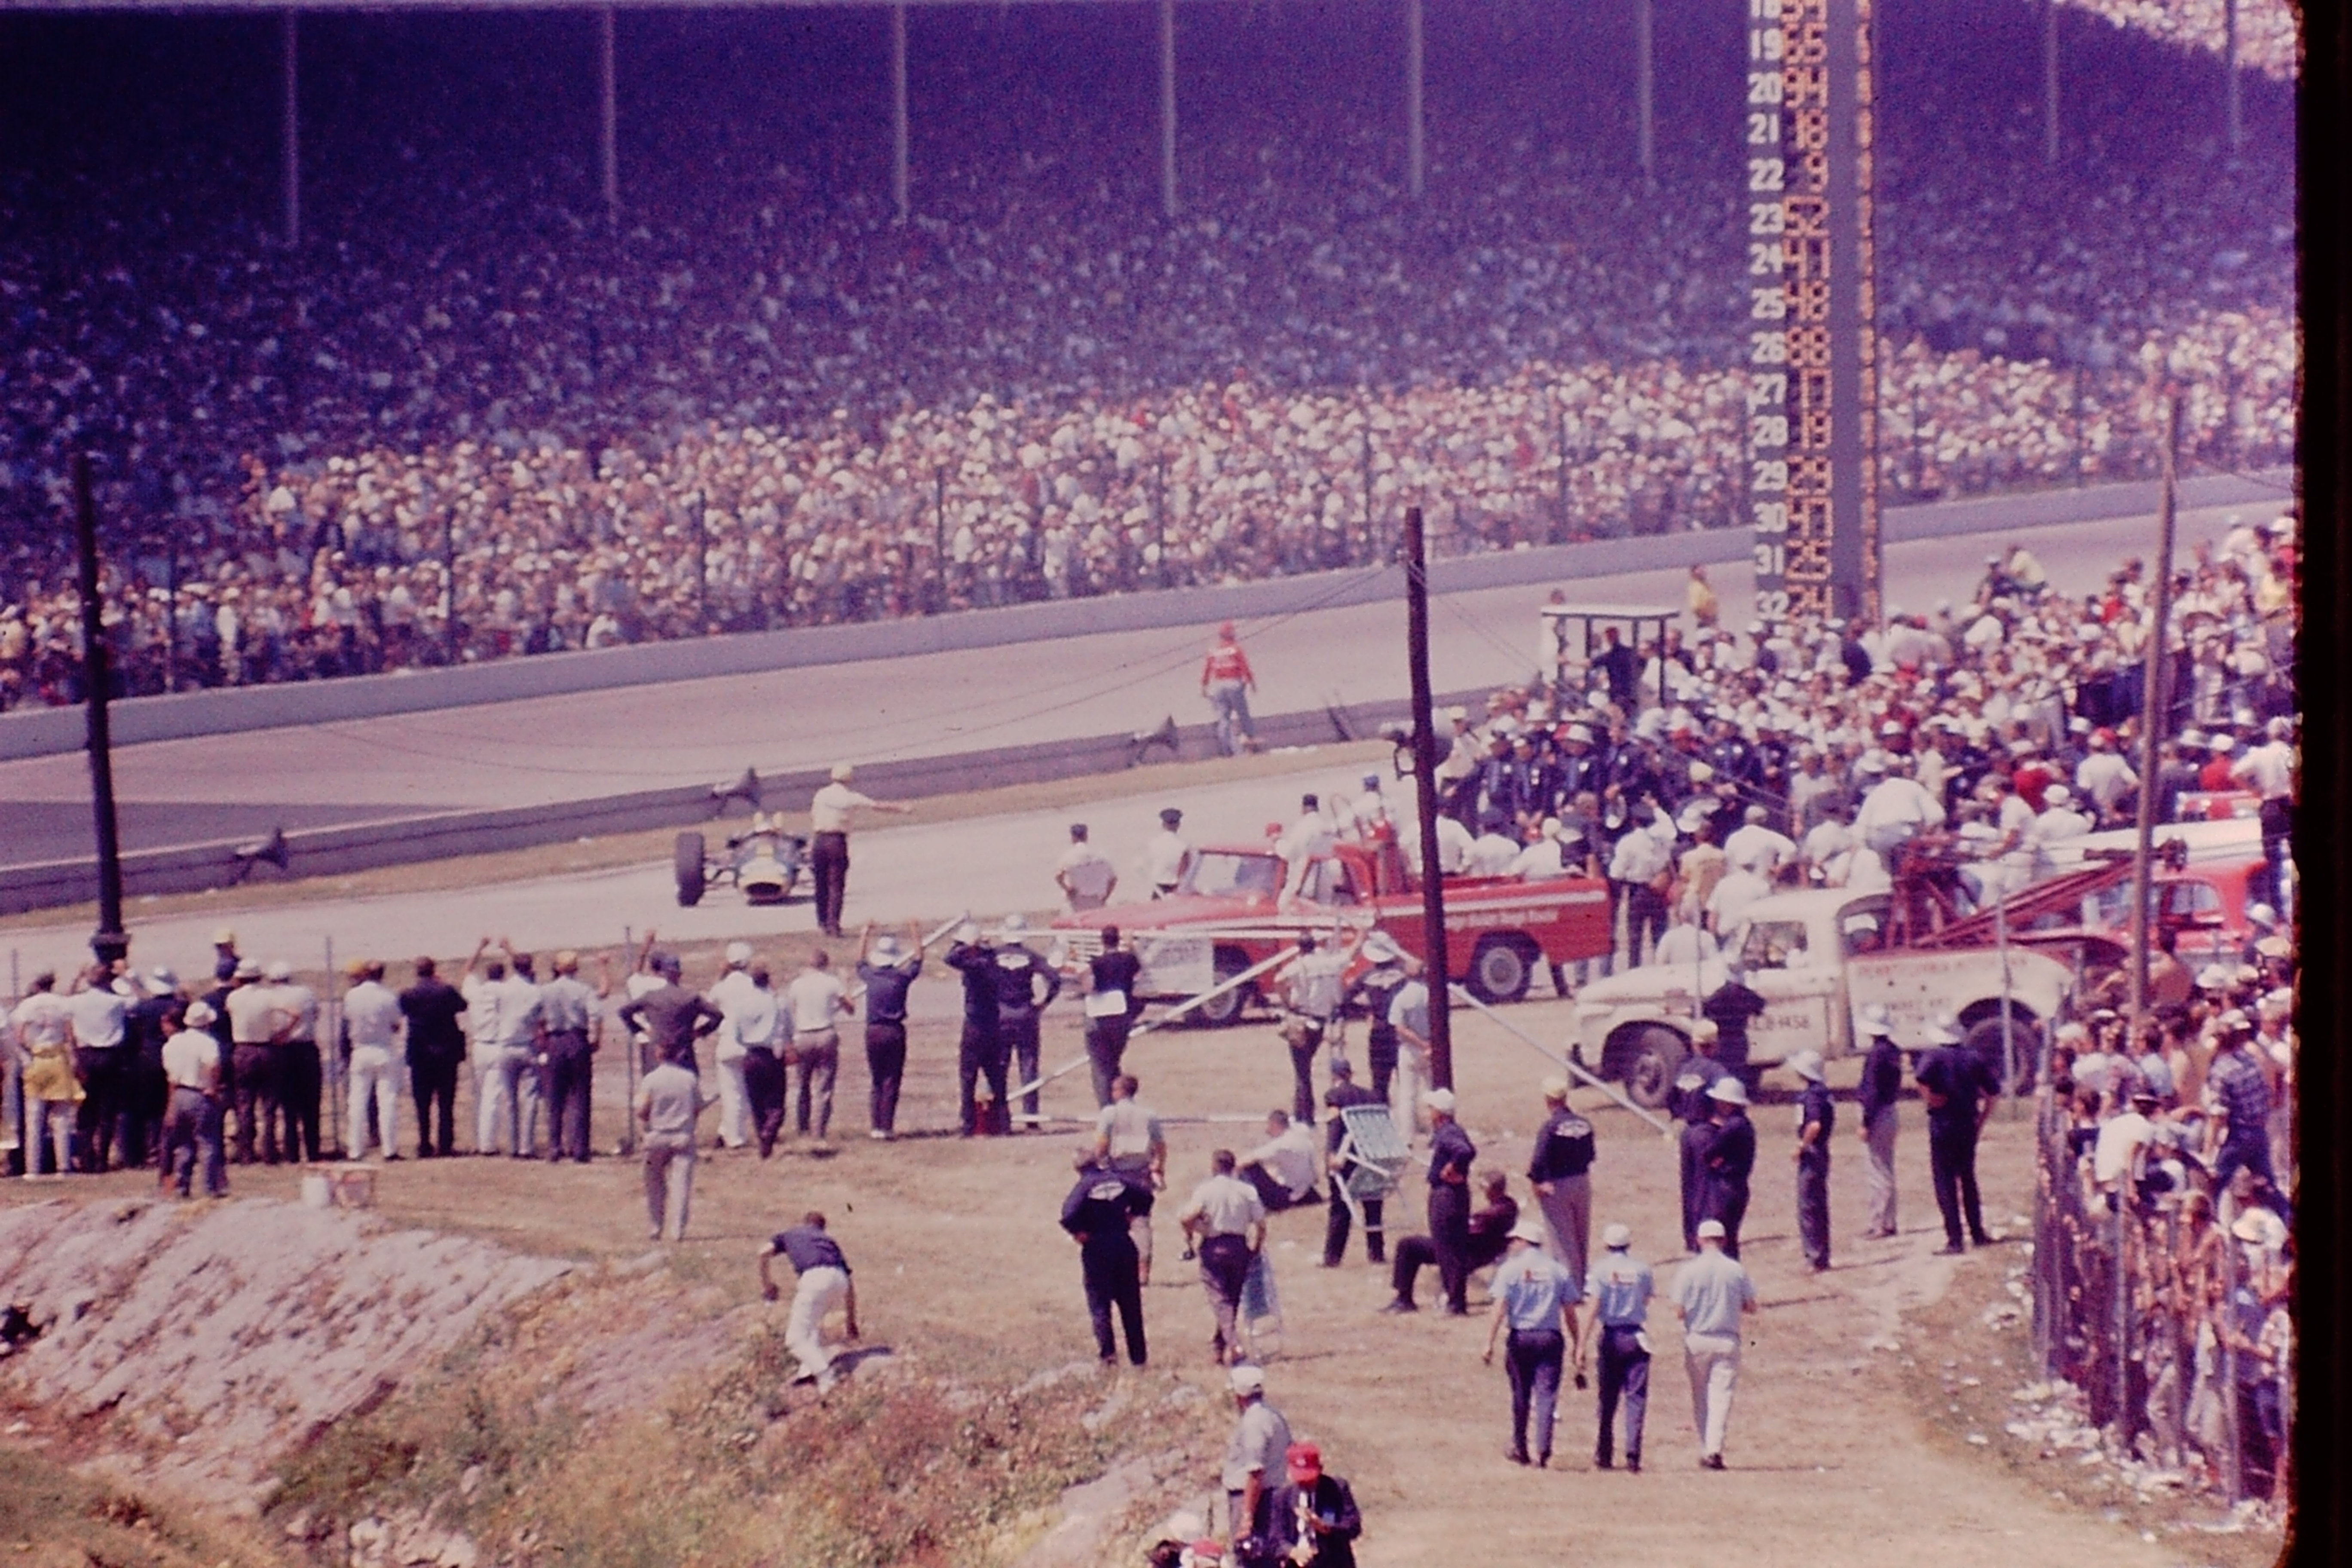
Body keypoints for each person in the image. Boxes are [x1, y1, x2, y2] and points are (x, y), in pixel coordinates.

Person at [1482, 1218, 1584, 1467]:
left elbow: (1500, 1307)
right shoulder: (1558, 1270)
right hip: (1550, 1337)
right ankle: (1543, 1448)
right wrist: (1577, 1343)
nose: (1511, 1245)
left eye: (1514, 1240)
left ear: (1524, 1242)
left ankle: (1520, 1445)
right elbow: (1570, 1312)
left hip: (1521, 1338)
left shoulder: (1510, 1270)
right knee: (1547, 1394)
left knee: (1521, 1393)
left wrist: (1489, 1341)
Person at [1673, 1218, 1758, 1470]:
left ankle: (1706, 1447)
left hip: (1698, 1338)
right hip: (1727, 1338)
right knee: (1721, 1396)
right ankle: (1715, 1448)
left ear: (1699, 1240)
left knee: (1700, 1397)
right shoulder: (1736, 1270)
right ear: (1724, 1240)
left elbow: (1679, 1311)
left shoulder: (1689, 1271)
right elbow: (1751, 1306)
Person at [1061, 1148, 1151, 1368]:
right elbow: (1146, 1196)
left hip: (1097, 1250)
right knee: (1131, 1306)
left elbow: (1068, 1214)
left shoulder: (1084, 1187)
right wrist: (1132, 1216)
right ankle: (1139, 1359)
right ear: (1097, 1163)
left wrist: (1080, 1233)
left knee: (1100, 1306)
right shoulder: (1119, 1180)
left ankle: (1109, 1358)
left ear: (1077, 1169)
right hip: (1124, 1246)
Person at [1178, 1149, 1268, 1367]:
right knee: (1232, 1298)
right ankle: (1219, 1347)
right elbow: (1261, 1224)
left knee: (1220, 1299)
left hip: (1214, 1246)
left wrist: (1190, 1235)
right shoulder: (1247, 1191)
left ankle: (1234, 1344)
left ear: (1214, 1167)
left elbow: (1187, 1217)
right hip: (1239, 1247)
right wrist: (1256, 1246)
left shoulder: (1206, 1190)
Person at [1916, 1017, 1997, 1253]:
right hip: (1967, 1123)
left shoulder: (1933, 1057)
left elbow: (1921, 1079)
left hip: (1943, 1123)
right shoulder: (1973, 1057)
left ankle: (1955, 1239)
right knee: (1968, 1179)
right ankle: (1977, 1232)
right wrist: (1981, 1120)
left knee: (1945, 1182)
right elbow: (1993, 1093)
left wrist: (1930, 1099)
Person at [1384, 1168, 1516, 1314]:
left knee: (1408, 1246)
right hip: (1470, 1249)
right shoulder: (1508, 1206)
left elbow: (1468, 1232)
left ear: (1491, 1189)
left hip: (1465, 1253)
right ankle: (1404, 1298)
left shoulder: (1494, 1213)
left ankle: (1404, 1298)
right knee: (1410, 1245)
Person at [807, 763, 915, 938]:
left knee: (820, 884)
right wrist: (902, 808)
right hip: (837, 841)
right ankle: (833, 926)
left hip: (819, 840)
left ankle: (822, 922)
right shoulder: (850, 798)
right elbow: (877, 806)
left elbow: (814, 815)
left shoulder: (821, 795)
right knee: (836, 884)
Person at [1580, 1222, 1655, 1472]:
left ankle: (1604, 1453)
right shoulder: (1642, 1270)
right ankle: (1633, 1454)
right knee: (1636, 1397)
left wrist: (1581, 1344)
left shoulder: (1600, 1270)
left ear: (1606, 1245)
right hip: (1636, 1335)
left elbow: (1593, 1306)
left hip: (1611, 1336)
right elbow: (1646, 1298)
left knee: (1608, 1398)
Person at [760, 1211, 861, 1388]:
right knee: (811, 1328)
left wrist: (768, 1285)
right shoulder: (828, 1241)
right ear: (822, 1228)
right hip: (840, 1281)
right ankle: (807, 1372)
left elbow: (763, 1253)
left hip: (815, 1278)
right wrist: (851, 1322)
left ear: (805, 1223)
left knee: (795, 1340)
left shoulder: (790, 1234)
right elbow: (850, 1285)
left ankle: (826, 1376)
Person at [1093, 1074, 1167, 1283]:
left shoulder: (1109, 1114)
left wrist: (1098, 1167)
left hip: (1116, 1174)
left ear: (1120, 1092)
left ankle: (1116, 1269)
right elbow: (1161, 1146)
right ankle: (1143, 1270)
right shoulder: (1149, 1115)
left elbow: (1101, 1145)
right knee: (1142, 1223)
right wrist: (1159, 1167)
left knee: (1113, 1223)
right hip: (1142, 1175)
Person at [991, 915, 1062, 1130]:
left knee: (998, 1066)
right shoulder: (1031, 957)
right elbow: (1055, 979)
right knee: (1029, 1065)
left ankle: (997, 1117)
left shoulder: (993, 956)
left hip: (1000, 1013)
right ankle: (1031, 1117)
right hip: (1025, 1013)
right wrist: (1044, 1003)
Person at [634, 1043, 711, 1241]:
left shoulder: (651, 1080)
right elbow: (697, 1107)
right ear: (679, 1055)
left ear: (658, 1055)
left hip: (657, 1137)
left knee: (654, 1185)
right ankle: (678, 1231)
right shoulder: (689, 1079)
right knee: (681, 1185)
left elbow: (642, 1110)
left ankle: (656, 1226)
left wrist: (650, 1120)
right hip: (682, 1137)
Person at [535, 950, 606, 1164]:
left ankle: (555, 1147)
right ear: (576, 968)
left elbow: (536, 1017)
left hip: (555, 1041)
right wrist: (596, 1039)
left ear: (557, 968)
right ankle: (580, 1148)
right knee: (581, 1095)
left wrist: (542, 1039)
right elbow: (597, 1015)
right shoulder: (584, 990)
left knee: (554, 1096)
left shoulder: (545, 991)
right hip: (577, 1039)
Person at [854, 922, 923, 1139]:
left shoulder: (871, 976)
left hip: (874, 1031)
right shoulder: (901, 978)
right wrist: (915, 932)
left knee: (877, 1079)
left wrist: (865, 934)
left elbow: (859, 961)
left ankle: (876, 1126)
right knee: (892, 1079)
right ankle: (887, 1126)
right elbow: (918, 960)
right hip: (894, 1031)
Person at [1669, 1020, 1732, 1253]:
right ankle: (1706, 1235)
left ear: (1694, 1044)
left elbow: (1672, 1100)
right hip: (1706, 1131)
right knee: (1707, 1188)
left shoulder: (1684, 1070)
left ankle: (1691, 1236)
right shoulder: (1717, 1071)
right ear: (1714, 1045)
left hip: (1687, 1131)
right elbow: (1725, 1101)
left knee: (1689, 1186)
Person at [1276, 933, 1352, 1124]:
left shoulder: (1298, 965)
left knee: (1302, 1072)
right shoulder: (1328, 963)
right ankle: (1300, 1113)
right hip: (1320, 1021)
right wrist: (1362, 934)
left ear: (1300, 948)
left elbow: (1278, 980)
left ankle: (1306, 1116)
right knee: (1304, 1068)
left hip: (1302, 1019)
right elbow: (1350, 955)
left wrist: (1287, 1002)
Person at [1526, 1076, 1596, 1283]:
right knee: (1581, 1237)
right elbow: (1591, 1155)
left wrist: (1538, 1182)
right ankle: (1581, 1282)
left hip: (1558, 1185)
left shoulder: (1550, 1127)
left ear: (1548, 1100)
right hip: (1582, 1182)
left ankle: (1570, 1288)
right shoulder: (1584, 1124)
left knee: (1563, 1241)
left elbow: (1538, 1160)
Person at [1319, 1058, 1387, 1268]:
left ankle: (1333, 1257)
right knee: (1373, 1207)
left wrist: (1332, 1153)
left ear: (1334, 1075)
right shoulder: (1372, 1096)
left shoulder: (1335, 1096)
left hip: (1348, 1159)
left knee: (1340, 1209)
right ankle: (1376, 1253)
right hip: (1372, 1157)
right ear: (1350, 1073)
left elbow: (1335, 1124)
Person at [397, 957, 467, 1159]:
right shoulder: (446, 991)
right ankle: (445, 1144)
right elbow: (463, 1006)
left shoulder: (408, 994)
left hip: (420, 1053)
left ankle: (424, 1144)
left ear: (417, 972)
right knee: (446, 1103)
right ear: (434, 970)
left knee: (422, 1103)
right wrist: (443, 983)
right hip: (446, 1052)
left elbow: (402, 1011)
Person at [157, 999, 227, 1199]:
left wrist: (171, 1106)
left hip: (179, 1093)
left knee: (183, 1143)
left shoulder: (174, 1042)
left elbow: (171, 1077)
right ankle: (210, 1188)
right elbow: (213, 1065)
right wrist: (213, 1087)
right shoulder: (208, 1043)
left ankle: (182, 1186)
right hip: (200, 1094)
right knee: (207, 1142)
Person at [1250, 1442, 1361, 1568]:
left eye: (1310, 1478)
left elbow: (1354, 1527)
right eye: (1300, 1479)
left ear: (1320, 1469)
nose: (1305, 1483)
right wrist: (1293, 1552)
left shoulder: (1336, 1489)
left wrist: (1326, 1528)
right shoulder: (1282, 1498)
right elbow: (1275, 1538)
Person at [615, 953, 724, 1079]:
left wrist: (640, 1030)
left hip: (657, 1054)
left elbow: (624, 1012)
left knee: (656, 1087)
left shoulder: (652, 997)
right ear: (679, 975)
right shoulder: (691, 998)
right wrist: (699, 1032)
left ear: (664, 974)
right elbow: (717, 1015)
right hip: (684, 1053)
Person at [785, 949, 855, 1145]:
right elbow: (850, 1008)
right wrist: (846, 984)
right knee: (824, 1086)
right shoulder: (832, 982)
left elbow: (790, 1010)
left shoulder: (797, 984)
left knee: (802, 1085)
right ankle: (819, 1132)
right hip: (825, 1035)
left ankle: (803, 1128)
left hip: (803, 1036)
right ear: (827, 964)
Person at [947, 923, 1008, 1136]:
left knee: (968, 1077)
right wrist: (983, 947)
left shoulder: (974, 966)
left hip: (975, 1025)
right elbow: (989, 955)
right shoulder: (992, 962)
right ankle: (1004, 1124)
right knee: (997, 1077)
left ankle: (968, 1125)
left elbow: (950, 958)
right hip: (994, 1024)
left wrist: (967, 946)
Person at [340, 960, 404, 1163]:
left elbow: (348, 1019)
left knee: (357, 1102)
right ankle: (389, 1149)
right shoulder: (388, 996)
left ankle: (355, 1150)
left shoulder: (352, 996)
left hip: (361, 1050)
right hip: (383, 1049)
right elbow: (396, 1025)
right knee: (388, 1101)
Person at [223, 957, 285, 1165]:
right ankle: (269, 1152)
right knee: (269, 1105)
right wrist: (281, 1034)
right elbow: (293, 1013)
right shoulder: (268, 996)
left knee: (245, 1104)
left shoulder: (234, 997)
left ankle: (246, 1152)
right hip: (266, 1048)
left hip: (243, 1050)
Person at [1423, 1088, 1477, 1314]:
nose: (1429, 1112)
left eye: (1431, 1108)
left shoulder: (1447, 1133)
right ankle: (1455, 1298)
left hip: (1447, 1195)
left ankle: (1455, 1302)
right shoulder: (1455, 1130)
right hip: (1456, 1194)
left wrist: (1451, 1167)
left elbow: (1465, 1152)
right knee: (1453, 1247)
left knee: (1447, 1248)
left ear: (1440, 1112)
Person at [707, 941, 764, 1152]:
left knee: (731, 1093)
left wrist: (720, 976)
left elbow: (709, 1004)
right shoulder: (754, 985)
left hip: (727, 1042)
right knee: (747, 1093)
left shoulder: (722, 987)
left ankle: (732, 1136)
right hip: (750, 1042)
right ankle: (730, 1133)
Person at [1079, 926, 1143, 1107]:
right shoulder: (1128, 960)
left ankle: (1107, 1109)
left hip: (1099, 1018)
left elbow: (1088, 987)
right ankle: (1122, 1104)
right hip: (1121, 1018)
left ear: (1103, 941)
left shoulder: (1097, 963)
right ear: (1118, 940)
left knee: (1101, 1069)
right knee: (1113, 1063)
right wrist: (1131, 946)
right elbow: (1139, 967)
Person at [1857, 1006, 1906, 1238]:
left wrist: (1866, 1122)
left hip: (1878, 1114)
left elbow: (1872, 1091)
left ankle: (1879, 1224)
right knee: (1886, 1167)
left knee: (1877, 1171)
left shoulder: (1876, 1055)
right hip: (1890, 1111)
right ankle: (1889, 1220)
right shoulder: (1894, 1051)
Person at [732, 963, 789, 1158]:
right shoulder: (778, 1002)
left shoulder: (742, 1004)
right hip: (771, 1055)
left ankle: (764, 1143)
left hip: (751, 1055)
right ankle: (769, 1132)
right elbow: (787, 1030)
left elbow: (737, 1035)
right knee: (777, 1103)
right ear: (768, 980)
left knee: (756, 1103)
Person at [1698, 1078, 1756, 1258]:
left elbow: (1708, 1154)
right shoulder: (1745, 1124)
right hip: (1739, 1186)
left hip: (1725, 1188)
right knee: (1730, 1236)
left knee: (1721, 1237)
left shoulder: (1732, 1127)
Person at [1788, 1049, 1834, 1271]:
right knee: (1818, 1204)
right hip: (1821, 1151)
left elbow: (1814, 1125)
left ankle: (1815, 1256)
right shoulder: (1824, 1093)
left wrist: (1802, 1146)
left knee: (1809, 1205)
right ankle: (1821, 1254)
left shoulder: (1813, 1097)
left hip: (1813, 1152)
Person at [1700, 964, 1769, 1086]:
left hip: (1721, 1038)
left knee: (1723, 1070)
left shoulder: (1718, 995)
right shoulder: (1746, 994)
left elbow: (1705, 1010)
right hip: (1739, 1037)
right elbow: (1761, 1005)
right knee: (1738, 1070)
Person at [1237, 1109, 1319, 1211]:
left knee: (1250, 1168)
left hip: (1290, 1196)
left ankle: (1246, 1205)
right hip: (1308, 1191)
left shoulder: (1282, 1145)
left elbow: (1248, 1160)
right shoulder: (1301, 1135)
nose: (1267, 1130)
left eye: (1269, 1126)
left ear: (1275, 1125)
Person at [1201, 621, 1261, 757]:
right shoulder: (1235, 649)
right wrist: (1252, 683)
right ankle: (1251, 741)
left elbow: (1207, 670)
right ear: (1230, 634)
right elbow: (1244, 667)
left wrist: (1204, 686)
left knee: (1224, 719)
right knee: (1243, 715)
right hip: (1234, 684)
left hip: (1218, 685)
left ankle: (1227, 749)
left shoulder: (1213, 651)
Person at [1056, 823, 1119, 913]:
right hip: (1097, 900)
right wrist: (1106, 896)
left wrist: (1067, 889)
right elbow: (1113, 879)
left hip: (1077, 901)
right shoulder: (1100, 856)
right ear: (1086, 836)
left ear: (1073, 837)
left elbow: (1059, 876)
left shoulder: (1069, 856)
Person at [1142, 807, 1195, 897]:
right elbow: (1187, 870)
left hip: (1159, 889)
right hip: (1176, 889)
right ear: (1178, 824)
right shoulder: (1184, 846)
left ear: (1163, 824)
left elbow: (1147, 865)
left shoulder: (1153, 844)